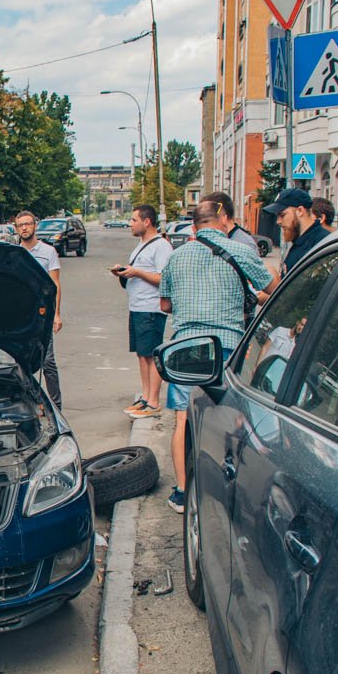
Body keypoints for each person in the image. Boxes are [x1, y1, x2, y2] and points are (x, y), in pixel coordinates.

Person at [159, 201, 275, 513]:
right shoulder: (241, 251)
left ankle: (183, 493)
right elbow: (272, 288)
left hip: (186, 348)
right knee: (228, 417)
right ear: (223, 220)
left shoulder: (176, 255)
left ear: (193, 226)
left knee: (184, 419)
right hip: (228, 347)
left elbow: (165, 306)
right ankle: (225, 489)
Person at [110, 204, 172, 419]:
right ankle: (146, 397)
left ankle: (154, 402)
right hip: (137, 306)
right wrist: (125, 272)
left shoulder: (161, 246)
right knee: (142, 354)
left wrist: (136, 272)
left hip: (151, 308)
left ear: (147, 222)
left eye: (134, 220)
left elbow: (165, 279)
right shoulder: (141, 245)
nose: (130, 224)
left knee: (152, 354)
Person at [15, 210, 63, 408]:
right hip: (20, 315)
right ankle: (32, 402)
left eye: (28, 224)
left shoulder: (48, 252)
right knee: (22, 361)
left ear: (35, 226)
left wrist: (57, 314)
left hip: (42, 314)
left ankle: (56, 404)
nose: (24, 228)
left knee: (47, 361)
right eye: (20, 225)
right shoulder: (15, 253)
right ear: (16, 229)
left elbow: (56, 284)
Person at [265, 188, 328, 275]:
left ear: (300, 211)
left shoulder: (320, 243)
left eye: (282, 215)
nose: (278, 221)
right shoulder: (300, 241)